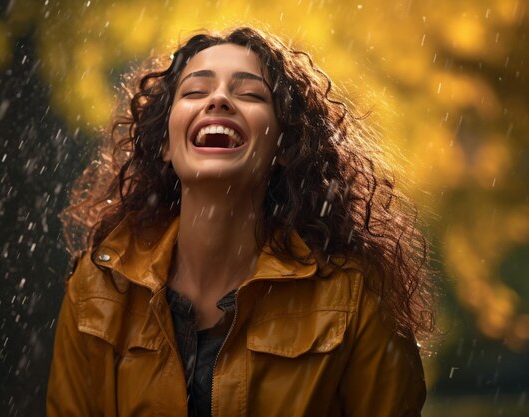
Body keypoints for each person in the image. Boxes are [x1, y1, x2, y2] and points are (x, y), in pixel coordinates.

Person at [47, 26, 435, 417]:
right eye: (195, 91)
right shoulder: (97, 291)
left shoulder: (355, 297)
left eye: (249, 94)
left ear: (285, 146)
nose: (218, 100)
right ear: (164, 143)